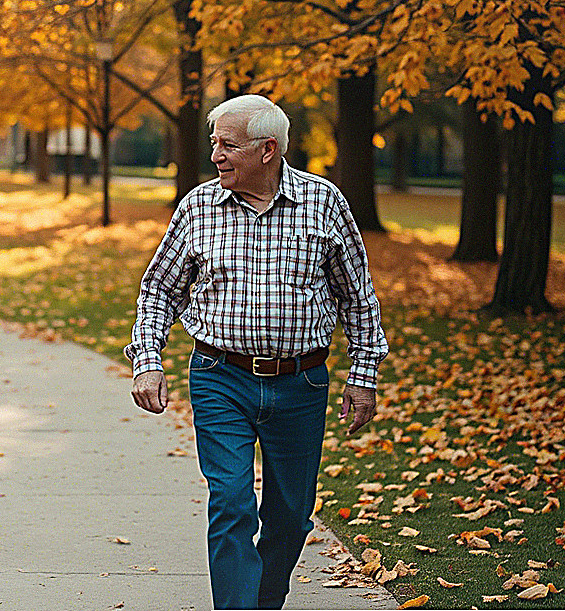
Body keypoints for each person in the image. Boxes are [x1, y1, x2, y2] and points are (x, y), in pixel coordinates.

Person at [126, 95, 387, 609]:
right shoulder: (199, 207)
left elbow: (358, 297)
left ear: (267, 149)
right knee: (230, 502)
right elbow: (159, 290)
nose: (216, 155)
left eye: (227, 145)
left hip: (301, 382)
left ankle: (262, 601)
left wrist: (364, 374)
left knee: (291, 513)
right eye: (214, 144)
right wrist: (148, 362)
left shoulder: (324, 203)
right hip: (220, 375)